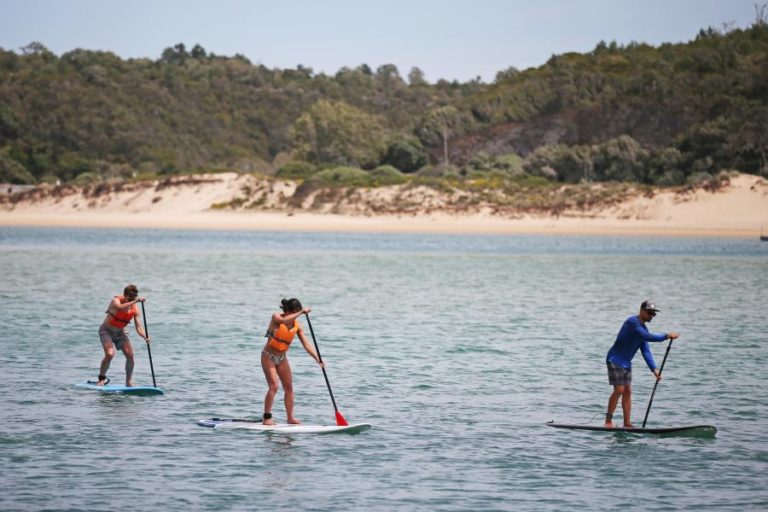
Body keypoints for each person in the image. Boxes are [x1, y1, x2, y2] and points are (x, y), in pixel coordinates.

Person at [604, 300, 679, 428]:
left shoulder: (643, 328)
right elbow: (648, 337)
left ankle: (627, 423)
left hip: (626, 363)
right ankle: (608, 421)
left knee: (627, 391)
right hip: (615, 359)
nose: (651, 316)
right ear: (641, 311)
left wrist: (654, 369)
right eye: (650, 313)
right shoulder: (632, 323)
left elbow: (645, 350)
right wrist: (666, 336)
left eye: (654, 314)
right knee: (619, 389)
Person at [261, 298, 323, 425]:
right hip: (268, 356)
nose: (295, 317)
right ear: (288, 311)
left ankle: (290, 417)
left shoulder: (296, 326)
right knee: (274, 386)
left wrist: (318, 359)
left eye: (298, 313)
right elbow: (283, 320)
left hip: (282, 358)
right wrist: (301, 312)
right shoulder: (276, 317)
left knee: (289, 387)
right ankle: (267, 417)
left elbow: (306, 345)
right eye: (294, 313)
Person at [96, 284, 150, 387]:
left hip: (121, 332)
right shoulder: (116, 301)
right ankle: (101, 379)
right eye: (129, 298)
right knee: (110, 354)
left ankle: (128, 382)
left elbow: (138, 327)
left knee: (130, 355)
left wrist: (145, 336)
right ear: (125, 295)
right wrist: (135, 301)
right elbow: (120, 307)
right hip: (106, 331)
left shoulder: (135, 309)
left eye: (133, 298)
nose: (131, 301)